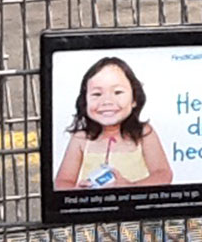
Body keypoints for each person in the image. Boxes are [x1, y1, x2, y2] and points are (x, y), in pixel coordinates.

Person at [53, 57, 173, 190]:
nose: (107, 101)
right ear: (85, 101)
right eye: (97, 94)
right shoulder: (81, 138)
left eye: (118, 92)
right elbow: (62, 181)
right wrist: (79, 193)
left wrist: (131, 187)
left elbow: (163, 174)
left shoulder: (143, 133)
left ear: (134, 99)